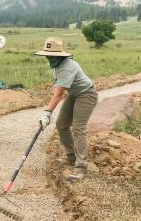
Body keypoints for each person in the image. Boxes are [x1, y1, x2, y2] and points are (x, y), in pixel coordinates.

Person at [35, 37, 98, 181]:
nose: (49, 58)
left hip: (86, 94)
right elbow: (57, 86)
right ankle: (72, 156)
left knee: (78, 128)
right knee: (61, 124)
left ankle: (82, 169)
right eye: (47, 55)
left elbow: (58, 94)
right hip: (73, 94)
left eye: (52, 55)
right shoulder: (56, 65)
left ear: (60, 54)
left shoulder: (68, 66)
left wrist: (47, 113)